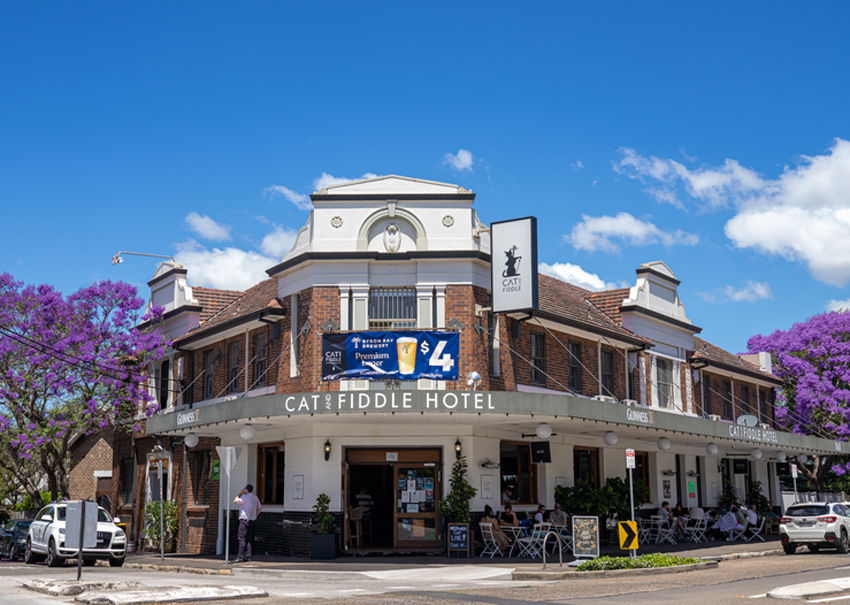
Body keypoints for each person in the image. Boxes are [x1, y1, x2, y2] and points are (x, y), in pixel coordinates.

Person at [233, 484, 262, 562]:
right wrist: (255, 515)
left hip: (244, 519)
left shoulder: (244, 497)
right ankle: (248, 556)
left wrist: (240, 494)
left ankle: (240, 557)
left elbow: (235, 501)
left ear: (246, 490)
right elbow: (260, 507)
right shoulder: (255, 497)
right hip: (252, 520)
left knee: (241, 537)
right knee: (249, 538)